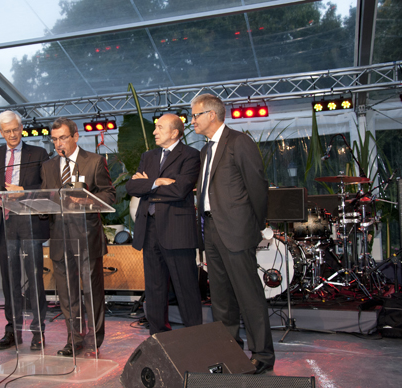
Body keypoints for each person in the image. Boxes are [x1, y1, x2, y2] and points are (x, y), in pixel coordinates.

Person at [192, 94, 275, 374]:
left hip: (237, 231)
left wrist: (257, 225)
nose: (192, 120)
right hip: (211, 229)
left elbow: (257, 187)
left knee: (248, 295)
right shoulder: (205, 151)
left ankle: (262, 354)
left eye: (195, 115)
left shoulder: (239, 142)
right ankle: (230, 351)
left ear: (211, 115)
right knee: (221, 299)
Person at [41, 118, 115, 357]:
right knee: (67, 293)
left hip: (86, 237)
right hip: (60, 239)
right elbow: (46, 197)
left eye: (62, 137)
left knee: (91, 292)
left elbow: (109, 195)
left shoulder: (94, 162)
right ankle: (74, 339)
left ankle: (94, 340)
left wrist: (86, 201)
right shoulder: (48, 167)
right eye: (54, 139)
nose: (58, 143)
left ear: (75, 136)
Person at [0, 110, 49, 351]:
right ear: (1, 132)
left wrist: (24, 191)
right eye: (6, 131)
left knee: (34, 279)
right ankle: (13, 330)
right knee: (10, 282)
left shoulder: (38, 153)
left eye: (15, 129)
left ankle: (38, 332)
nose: (12, 135)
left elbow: (46, 186)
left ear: (21, 128)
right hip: (4, 223)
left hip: (29, 222)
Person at [125, 114, 202, 335]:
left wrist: (147, 186)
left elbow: (180, 190)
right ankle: (159, 337)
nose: (154, 131)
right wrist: (157, 182)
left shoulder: (191, 155)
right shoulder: (148, 156)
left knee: (185, 287)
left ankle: (195, 337)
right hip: (149, 229)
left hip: (176, 230)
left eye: (159, 127)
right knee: (154, 288)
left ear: (175, 132)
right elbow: (132, 187)